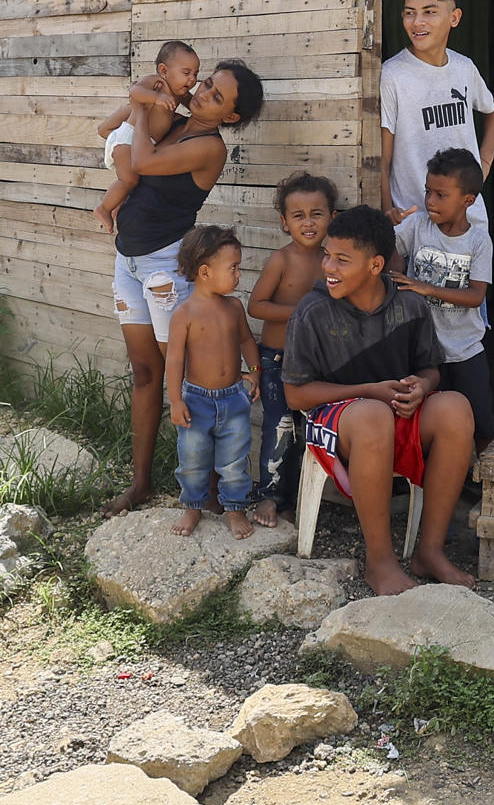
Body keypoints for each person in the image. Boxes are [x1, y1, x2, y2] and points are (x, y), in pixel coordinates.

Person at [281, 205, 475, 596]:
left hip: (390, 410)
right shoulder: (313, 311)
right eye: (326, 255)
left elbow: (431, 369)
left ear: (375, 266)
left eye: (341, 259)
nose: (328, 267)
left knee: (456, 408)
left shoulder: (410, 305)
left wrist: (421, 386)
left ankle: (430, 551)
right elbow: (296, 394)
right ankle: (380, 561)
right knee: (371, 416)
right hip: (336, 421)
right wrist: (368, 391)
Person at [104, 59, 264, 518]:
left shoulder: (209, 147)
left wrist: (145, 106)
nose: (203, 92)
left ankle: (210, 490)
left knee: (189, 381)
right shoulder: (173, 122)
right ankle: (140, 482)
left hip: (163, 267)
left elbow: (141, 160)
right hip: (129, 263)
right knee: (143, 372)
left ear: (230, 117)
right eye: (207, 84)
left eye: (216, 96)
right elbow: (111, 129)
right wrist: (146, 98)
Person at [245, 171, 338, 527]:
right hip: (277, 360)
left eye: (317, 213)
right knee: (279, 426)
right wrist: (302, 311)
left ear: (332, 217)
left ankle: (292, 500)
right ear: (285, 223)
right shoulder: (281, 260)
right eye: (298, 216)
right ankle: (268, 495)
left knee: (308, 431)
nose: (309, 222)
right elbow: (257, 306)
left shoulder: (333, 259)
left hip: (317, 363)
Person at [393, 148, 494, 454]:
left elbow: (476, 295)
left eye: (440, 195)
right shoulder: (416, 227)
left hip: (464, 350)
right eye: (428, 192)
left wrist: (427, 289)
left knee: (482, 424)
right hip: (424, 353)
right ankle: (433, 479)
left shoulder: (478, 241)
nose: (429, 201)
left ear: (468, 200)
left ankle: (487, 484)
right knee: (427, 422)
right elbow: (389, 252)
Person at [381, 0, 494, 227]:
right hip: (415, 223)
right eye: (409, 13)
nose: (417, 22)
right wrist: (388, 220)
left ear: (454, 18)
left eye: (429, 12)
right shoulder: (392, 75)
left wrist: (484, 164)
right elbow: (382, 161)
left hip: (470, 222)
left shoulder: (464, 68)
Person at [164, 225, 261, 540]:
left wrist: (256, 369)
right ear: (205, 272)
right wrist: (176, 400)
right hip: (196, 401)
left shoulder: (233, 308)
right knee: (192, 459)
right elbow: (175, 360)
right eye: (233, 268)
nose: (238, 275)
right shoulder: (185, 314)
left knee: (234, 460)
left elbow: (246, 340)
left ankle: (235, 509)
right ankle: (192, 506)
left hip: (233, 398)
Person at [94, 41, 199, 232]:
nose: (192, 79)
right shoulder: (157, 84)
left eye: (195, 74)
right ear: (164, 70)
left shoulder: (180, 94)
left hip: (142, 145)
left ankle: (117, 206)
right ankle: (103, 208)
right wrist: (156, 98)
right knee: (128, 181)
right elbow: (135, 91)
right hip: (128, 138)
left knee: (133, 183)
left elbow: (195, 106)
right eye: (186, 73)